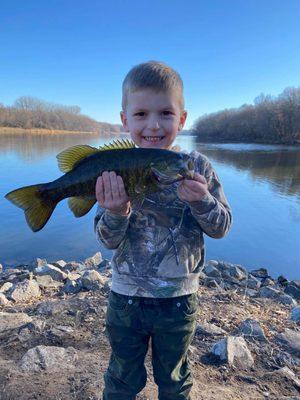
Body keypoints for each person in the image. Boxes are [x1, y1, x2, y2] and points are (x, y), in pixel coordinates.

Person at [94, 61, 232, 400]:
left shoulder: (196, 167)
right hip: (126, 298)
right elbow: (106, 240)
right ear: (125, 120)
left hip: (179, 301)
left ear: (182, 120)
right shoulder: (114, 167)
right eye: (141, 114)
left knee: (174, 379)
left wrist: (202, 203)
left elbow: (222, 227)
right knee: (122, 378)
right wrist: (116, 211)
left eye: (166, 113)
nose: (153, 125)